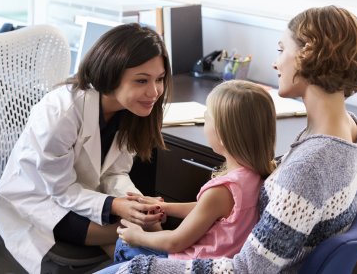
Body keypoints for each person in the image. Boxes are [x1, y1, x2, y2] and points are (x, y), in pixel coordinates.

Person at [97, 5, 357, 273]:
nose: (276, 62)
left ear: (308, 54)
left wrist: (144, 266)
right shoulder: (349, 132)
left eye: (281, 49)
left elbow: (246, 269)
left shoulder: (308, 168)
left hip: (230, 265)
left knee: (126, 256)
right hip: (234, 255)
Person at [0, 23, 172, 274]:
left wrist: (135, 201)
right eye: (141, 80)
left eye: (160, 79)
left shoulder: (130, 110)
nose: (154, 92)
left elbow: (114, 173)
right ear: (110, 74)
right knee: (142, 235)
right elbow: (61, 190)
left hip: (83, 194)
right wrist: (119, 207)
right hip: (41, 199)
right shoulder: (61, 112)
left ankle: (162, 261)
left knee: (145, 227)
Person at [114, 80, 277, 262]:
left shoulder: (221, 190)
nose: (204, 121)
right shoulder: (256, 176)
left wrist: (137, 237)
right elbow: (206, 209)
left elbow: (175, 242)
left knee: (124, 245)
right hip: (226, 259)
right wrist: (164, 207)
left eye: (207, 117)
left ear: (222, 135)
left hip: (193, 265)